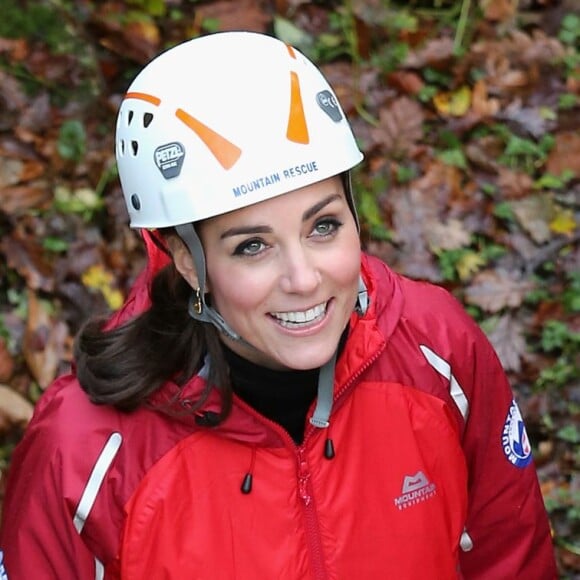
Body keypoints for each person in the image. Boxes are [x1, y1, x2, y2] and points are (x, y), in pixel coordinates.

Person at [0, 31, 556, 579]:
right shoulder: (85, 452)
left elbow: (511, 558)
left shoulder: (437, 349)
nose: (304, 278)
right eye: (252, 246)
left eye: (323, 226)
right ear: (188, 261)